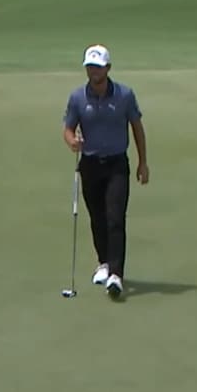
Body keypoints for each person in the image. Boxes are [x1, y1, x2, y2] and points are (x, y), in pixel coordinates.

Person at [62, 44, 148, 297]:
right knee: (97, 218)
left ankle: (116, 275)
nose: (94, 71)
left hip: (117, 165)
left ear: (108, 68)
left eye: (98, 67)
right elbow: (68, 129)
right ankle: (104, 263)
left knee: (115, 217)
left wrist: (143, 162)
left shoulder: (124, 95)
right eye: (90, 66)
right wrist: (72, 142)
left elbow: (137, 127)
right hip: (89, 164)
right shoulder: (78, 97)